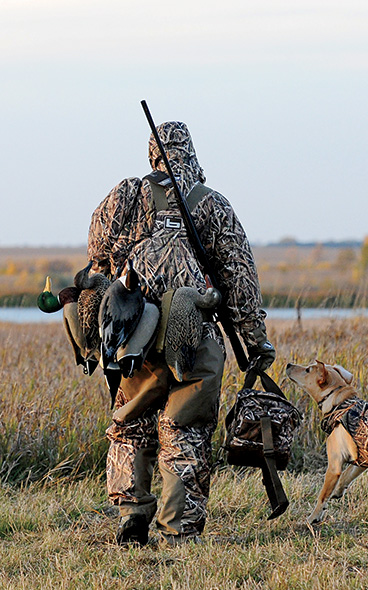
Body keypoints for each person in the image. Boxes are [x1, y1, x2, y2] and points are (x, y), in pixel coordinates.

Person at [86, 121, 275, 546]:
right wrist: (255, 338)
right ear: (191, 152)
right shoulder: (211, 204)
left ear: (151, 153)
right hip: (198, 336)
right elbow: (239, 277)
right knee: (184, 429)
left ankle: (132, 516)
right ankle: (177, 532)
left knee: (131, 423)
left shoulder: (128, 199)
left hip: (138, 335)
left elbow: (98, 261)